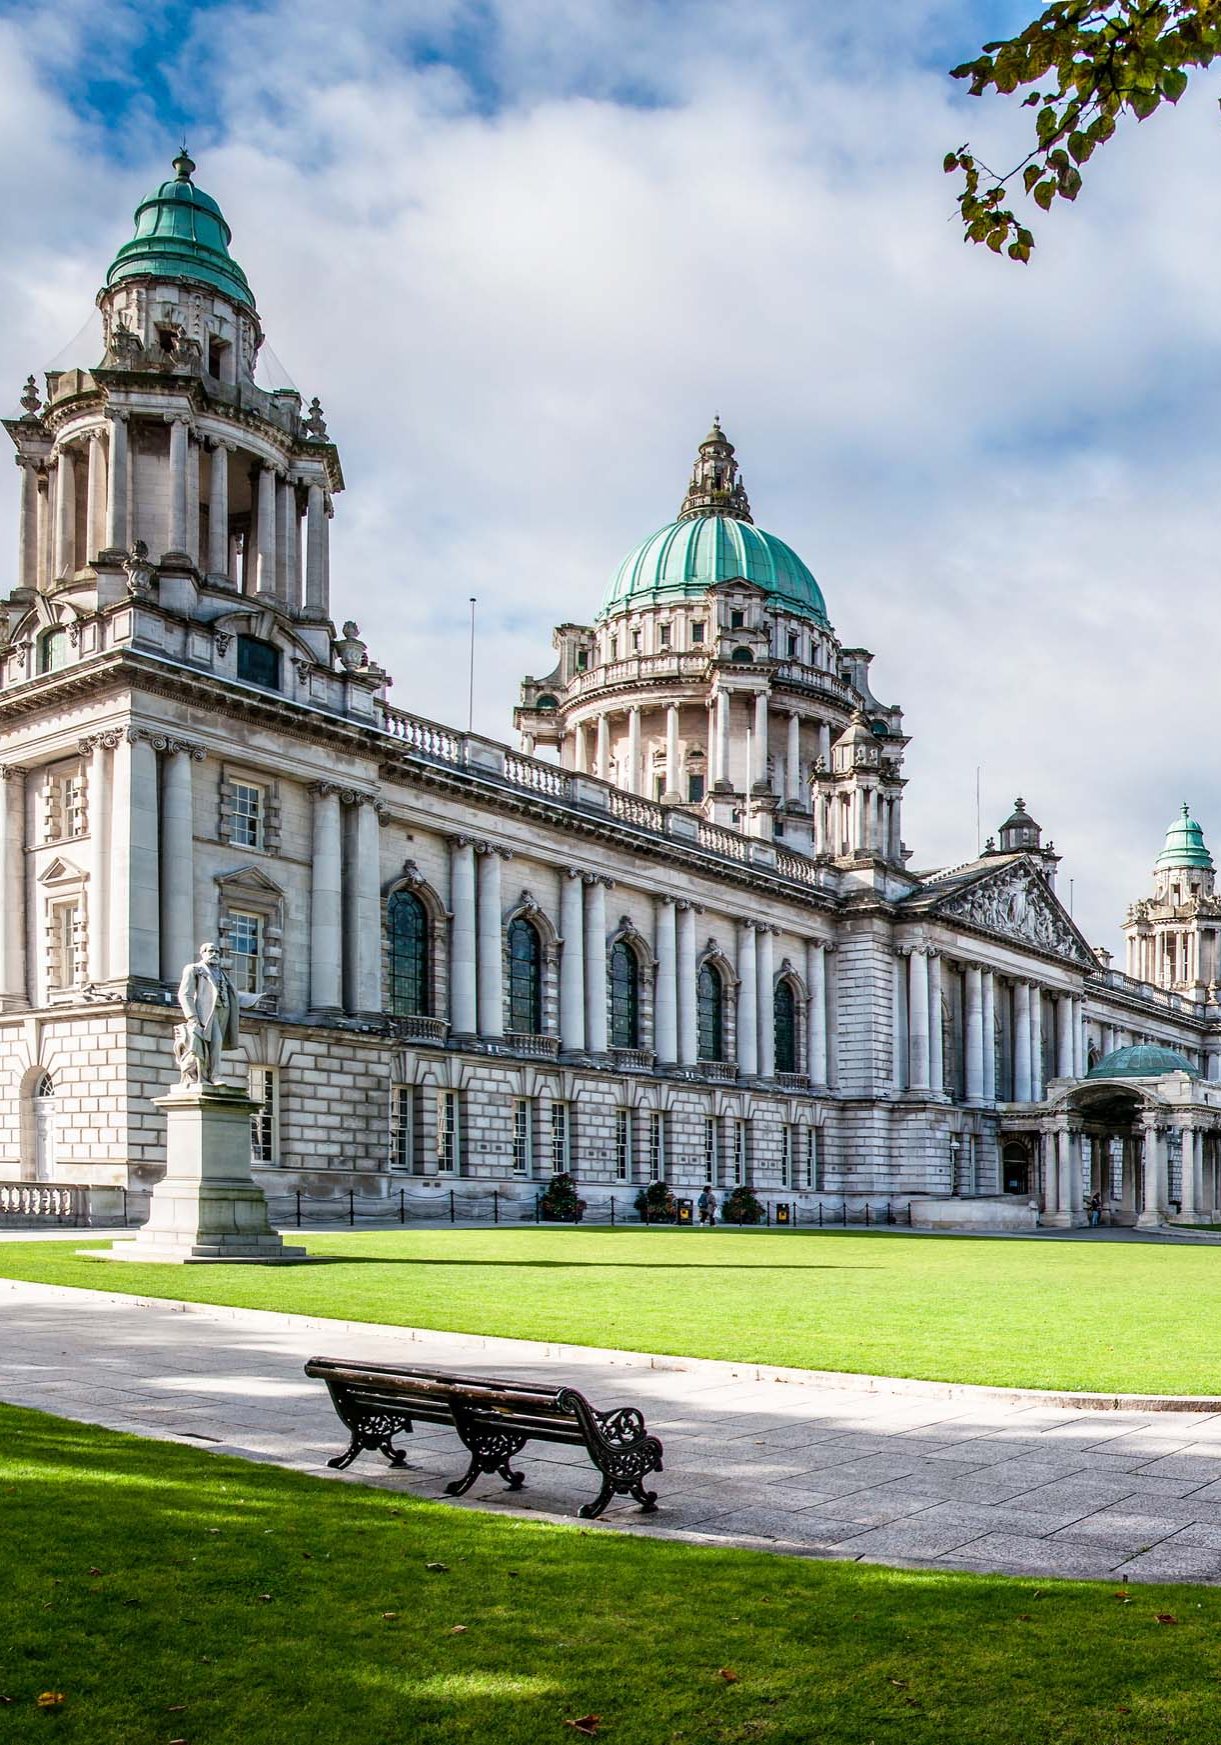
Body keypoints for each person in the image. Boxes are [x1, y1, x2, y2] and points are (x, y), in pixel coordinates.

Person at [175, 941, 242, 1086]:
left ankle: (209, 1076)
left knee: (215, 1045)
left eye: (217, 952)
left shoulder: (222, 974)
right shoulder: (194, 969)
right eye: (211, 951)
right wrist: (192, 1017)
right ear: (202, 953)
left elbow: (231, 994)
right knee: (216, 1042)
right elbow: (184, 994)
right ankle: (215, 1076)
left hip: (223, 1011)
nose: (214, 954)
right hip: (206, 1014)